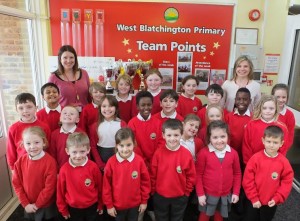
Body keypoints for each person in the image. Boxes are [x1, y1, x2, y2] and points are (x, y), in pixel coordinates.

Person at [242, 126, 294, 221]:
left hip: (271, 202)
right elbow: (247, 180)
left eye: (275, 142)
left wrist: (277, 198)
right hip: (253, 201)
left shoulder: (284, 162)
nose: (271, 145)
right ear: (263, 140)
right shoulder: (255, 159)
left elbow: (287, 182)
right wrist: (254, 198)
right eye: (268, 141)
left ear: (281, 143)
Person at [151, 119, 196, 221]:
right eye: (169, 135)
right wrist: (153, 191)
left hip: (180, 196)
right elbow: (153, 174)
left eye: (176, 135)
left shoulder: (186, 154)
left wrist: (187, 193)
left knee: (177, 218)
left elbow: (191, 175)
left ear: (181, 135)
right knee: (161, 218)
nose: (172, 139)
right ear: (163, 135)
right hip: (160, 196)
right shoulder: (158, 153)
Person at [196, 120, 241, 221]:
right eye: (215, 137)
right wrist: (200, 194)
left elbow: (237, 174)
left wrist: (236, 192)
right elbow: (198, 175)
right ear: (209, 138)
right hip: (207, 194)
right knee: (204, 216)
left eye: (222, 136)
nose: (219, 140)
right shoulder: (204, 153)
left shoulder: (233, 153)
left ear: (228, 136)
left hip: (225, 194)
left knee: (219, 217)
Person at [102, 128, 151, 221]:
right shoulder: (111, 162)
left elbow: (145, 183)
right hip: (117, 207)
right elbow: (106, 186)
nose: (125, 149)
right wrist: (109, 205)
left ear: (134, 144)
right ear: (116, 146)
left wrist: (144, 201)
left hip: (135, 205)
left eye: (128, 145)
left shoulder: (139, 161)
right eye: (121, 145)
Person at [12, 126, 57, 221]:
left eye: (36, 142)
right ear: (23, 145)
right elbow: (17, 184)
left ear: (43, 142)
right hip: (28, 204)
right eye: (28, 143)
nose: (32, 147)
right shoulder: (20, 162)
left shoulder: (50, 162)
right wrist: (25, 203)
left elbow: (49, 187)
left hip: (45, 205)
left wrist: (37, 205)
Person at [56, 132, 103, 220]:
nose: (78, 156)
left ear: (88, 150)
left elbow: (100, 187)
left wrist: (100, 204)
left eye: (82, 151)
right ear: (67, 151)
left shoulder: (93, 167)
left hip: (92, 206)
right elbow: (60, 192)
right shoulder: (64, 170)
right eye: (74, 152)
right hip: (73, 208)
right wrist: (63, 210)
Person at [6, 93, 51, 170]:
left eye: (29, 107)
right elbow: (11, 151)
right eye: (21, 108)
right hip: (22, 168)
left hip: (42, 166)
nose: (25, 111)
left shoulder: (44, 127)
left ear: (36, 108)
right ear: (16, 110)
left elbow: (49, 147)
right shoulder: (13, 129)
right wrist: (13, 168)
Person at [242, 95, 290, 165]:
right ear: (260, 108)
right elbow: (246, 146)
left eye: (271, 108)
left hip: (273, 164)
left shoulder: (282, 127)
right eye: (264, 108)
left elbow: (283, 148)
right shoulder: (251, 125)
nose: (267, 111)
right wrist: (249, 163)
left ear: (276, 109)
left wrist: (277, 164)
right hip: (253, 163)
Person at [48, 45, 90, 112]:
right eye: (65, 58)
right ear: (60, 59)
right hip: (65, 118)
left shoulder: (84, 73)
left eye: (71, 57)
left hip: (85, 115)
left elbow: (89, 96)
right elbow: (50, 100)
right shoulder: (53, 77)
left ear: (75, 59)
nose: (68, 60)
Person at [89, 95, 127, 170]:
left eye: (111, 106)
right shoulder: (95, 126)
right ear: (100, 108)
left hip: (119, 156)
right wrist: (100, 164)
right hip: (101, 157)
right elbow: (93, 147)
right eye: (104, 106)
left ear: (116, 108)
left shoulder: (122, 124)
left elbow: (126, 145)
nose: (107, 109)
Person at [128, 91, 163, 167]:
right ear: (137, 106)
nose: (146, 108)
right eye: (143, 105)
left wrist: (155, 159)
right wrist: (144, 161)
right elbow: (134, 145)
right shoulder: (132, 123)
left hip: (156, 161)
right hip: (139, 162)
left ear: (152, 105)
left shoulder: (158, 122)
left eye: (149, 105)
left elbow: (161, 142)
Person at [225, 87, 252, 163]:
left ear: (250, 101)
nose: (241, 102)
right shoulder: (228, 117)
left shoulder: (253, 118)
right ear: (235, 100)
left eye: (245, 99)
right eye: (239, 99)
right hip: (230, 153)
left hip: (246, 156)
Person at [271, 83, 295, 149]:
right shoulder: (266, 111)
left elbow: (290, 136)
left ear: (287, 98)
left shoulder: (289, 115)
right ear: (272, 96)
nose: (281, 100)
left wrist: (282, 149)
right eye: (277, 97)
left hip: (281, 149)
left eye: (284, 97)